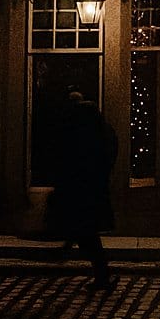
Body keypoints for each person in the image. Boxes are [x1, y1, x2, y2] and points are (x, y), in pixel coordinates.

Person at [48, 89, 118, 293]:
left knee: (85, 232)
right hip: (93, 190)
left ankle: (101, 273)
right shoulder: (100, 129)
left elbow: (67, 161)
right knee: (86, 231)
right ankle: (99, 272)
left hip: (83, 192)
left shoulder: (78, 131)